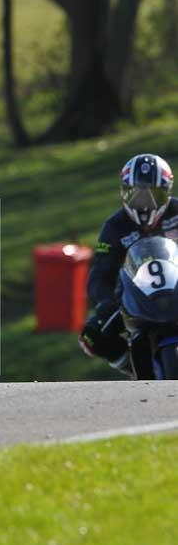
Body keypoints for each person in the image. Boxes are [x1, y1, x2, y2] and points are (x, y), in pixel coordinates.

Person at [79, 153, 177, 377]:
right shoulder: (114, 227)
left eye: (153, 195)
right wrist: (106, 301)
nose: (145, 204)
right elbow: (99, 274)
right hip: (134, 299)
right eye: (137, 195)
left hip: (176, 288)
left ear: (167, 192)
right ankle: (136, 371)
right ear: (124, 193)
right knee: (91, 338)